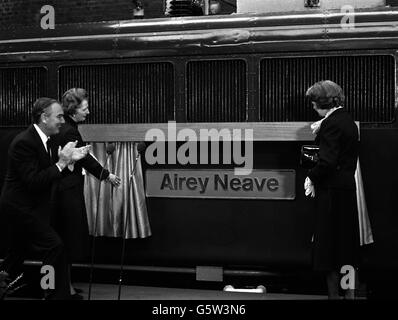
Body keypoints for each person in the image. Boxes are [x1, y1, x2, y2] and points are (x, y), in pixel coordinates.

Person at [0, 97, 90, 300]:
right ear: (44, 118)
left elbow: (48, 175)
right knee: (55, 246)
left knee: (17, 253)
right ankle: (53, 294)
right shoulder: (25, 142)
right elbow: (33, 181)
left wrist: (68, 163)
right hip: (20, 209)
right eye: (58, 116)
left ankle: (21, 286)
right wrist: (61, 162)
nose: (62, 120)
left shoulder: (46, 140)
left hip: (31, 207)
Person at [51, 88, 121, 298]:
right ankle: (64, 289)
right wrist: (106, 175)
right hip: (67, 193)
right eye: (85, 108)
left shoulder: (65, 128)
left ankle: (64, 286)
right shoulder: (70, 131)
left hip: (62, 192)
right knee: (66, 241)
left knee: (64, 241)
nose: (88, 112)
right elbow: (86, 159)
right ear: (73, 110)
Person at [304, 80, 360, 299]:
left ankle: (334, 297)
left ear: (321, 102)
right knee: (347, 249)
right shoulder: (346, 121)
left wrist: (311, 176)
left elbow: (327, 162)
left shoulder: (331, 124)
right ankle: (350, 295)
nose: (312, 106)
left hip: (331, 193)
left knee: (328, 249)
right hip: (345, 189)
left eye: (313, 102)